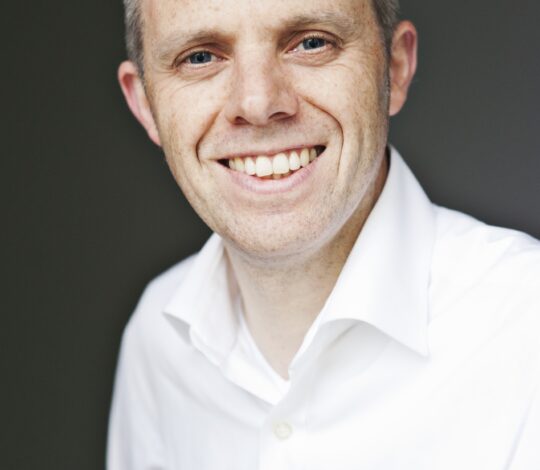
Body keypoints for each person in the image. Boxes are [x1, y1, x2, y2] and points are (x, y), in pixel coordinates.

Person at [107, 0, 540, 468]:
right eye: (200, 57)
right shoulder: (157, 339)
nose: (257, 103)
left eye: (311, 43)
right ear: (145, 104)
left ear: (395, 67)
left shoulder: (523, 330)